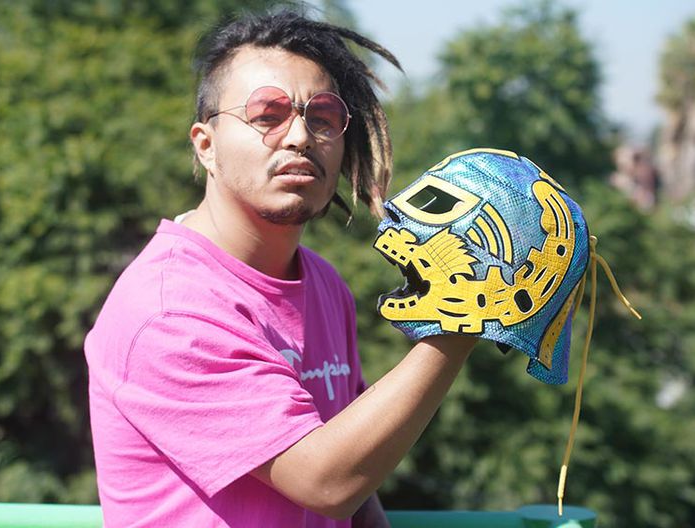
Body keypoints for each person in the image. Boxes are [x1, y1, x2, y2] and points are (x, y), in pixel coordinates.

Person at [84, 9, 476, 527]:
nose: (299, 137)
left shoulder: (322, 282)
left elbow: (354, 475)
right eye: (268, 115)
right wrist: (462, 322)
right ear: (206, 146)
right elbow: (325, 481)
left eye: (323, 117)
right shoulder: (170, 311)